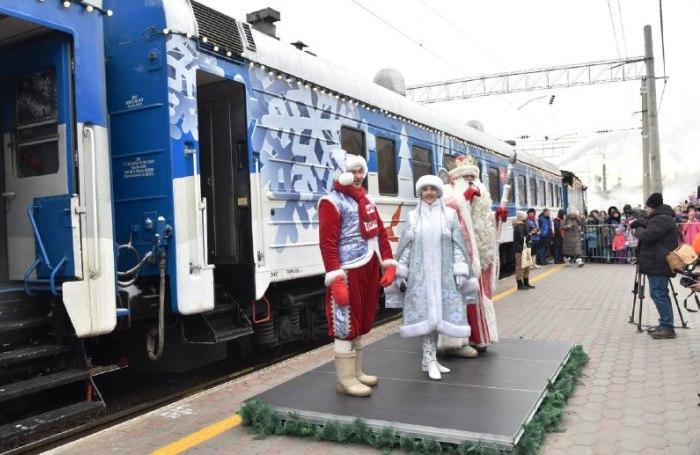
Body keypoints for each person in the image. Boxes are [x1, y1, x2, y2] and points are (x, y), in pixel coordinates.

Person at [318, 150, 396, 397]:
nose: (359, 175)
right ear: (342, 173)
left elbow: (380, 234)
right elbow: (328, 244)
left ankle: (356, 372)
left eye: (361, 170)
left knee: (360, 322)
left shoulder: (366, 200)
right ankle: (345, 380)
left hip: (368, 267)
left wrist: (389, 263)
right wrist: (336, 277)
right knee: (345, 323)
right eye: (353, 171)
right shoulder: (331, 202)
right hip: (348, 271)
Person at [391, 175, 476, 380]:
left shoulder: (449, 215)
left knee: (439, 318)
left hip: (444, 276)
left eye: (432, 189)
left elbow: (458, 245)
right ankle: (429, 359)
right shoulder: (412, 217)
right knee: (428, 317)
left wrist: (460, 271)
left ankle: (430, 359)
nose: (429, 192)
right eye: (425, 189)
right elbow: (406, 248)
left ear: (438, 191)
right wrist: (401, 272)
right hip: (421, 278)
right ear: (420, 192)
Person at [438, 154, 502, 357]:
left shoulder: (477, 196)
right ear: (454, 179)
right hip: (458, 257)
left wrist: (496, 218)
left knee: (477, 298)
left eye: (472, 177)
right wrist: (464, 200)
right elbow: (448, 221)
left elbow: (480, 224)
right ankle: (456, 343)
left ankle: (479, 338)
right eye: (465, 177)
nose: (470, 181)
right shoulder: (449, 196)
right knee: (461, 298)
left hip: (477, 255)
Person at [632, 193, 679, 339]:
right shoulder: (661, 218)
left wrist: (638, 228)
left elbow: (648, 236)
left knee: (658, 294)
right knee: (661, 294)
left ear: (652, 207)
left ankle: (667, 327)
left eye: (646, 207)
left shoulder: (662, 219)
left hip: (658, 262)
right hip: (657, 261)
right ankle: (665, 324)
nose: (645, 210)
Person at [513, 211, 533, 290]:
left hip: (523, 248)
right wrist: (529, 236)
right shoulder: (520, 226)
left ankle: (525, 283)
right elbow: (522, 238)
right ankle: (520, 284)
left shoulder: (521, 225)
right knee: (521, 266)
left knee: (525, 265)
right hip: (521, 249)